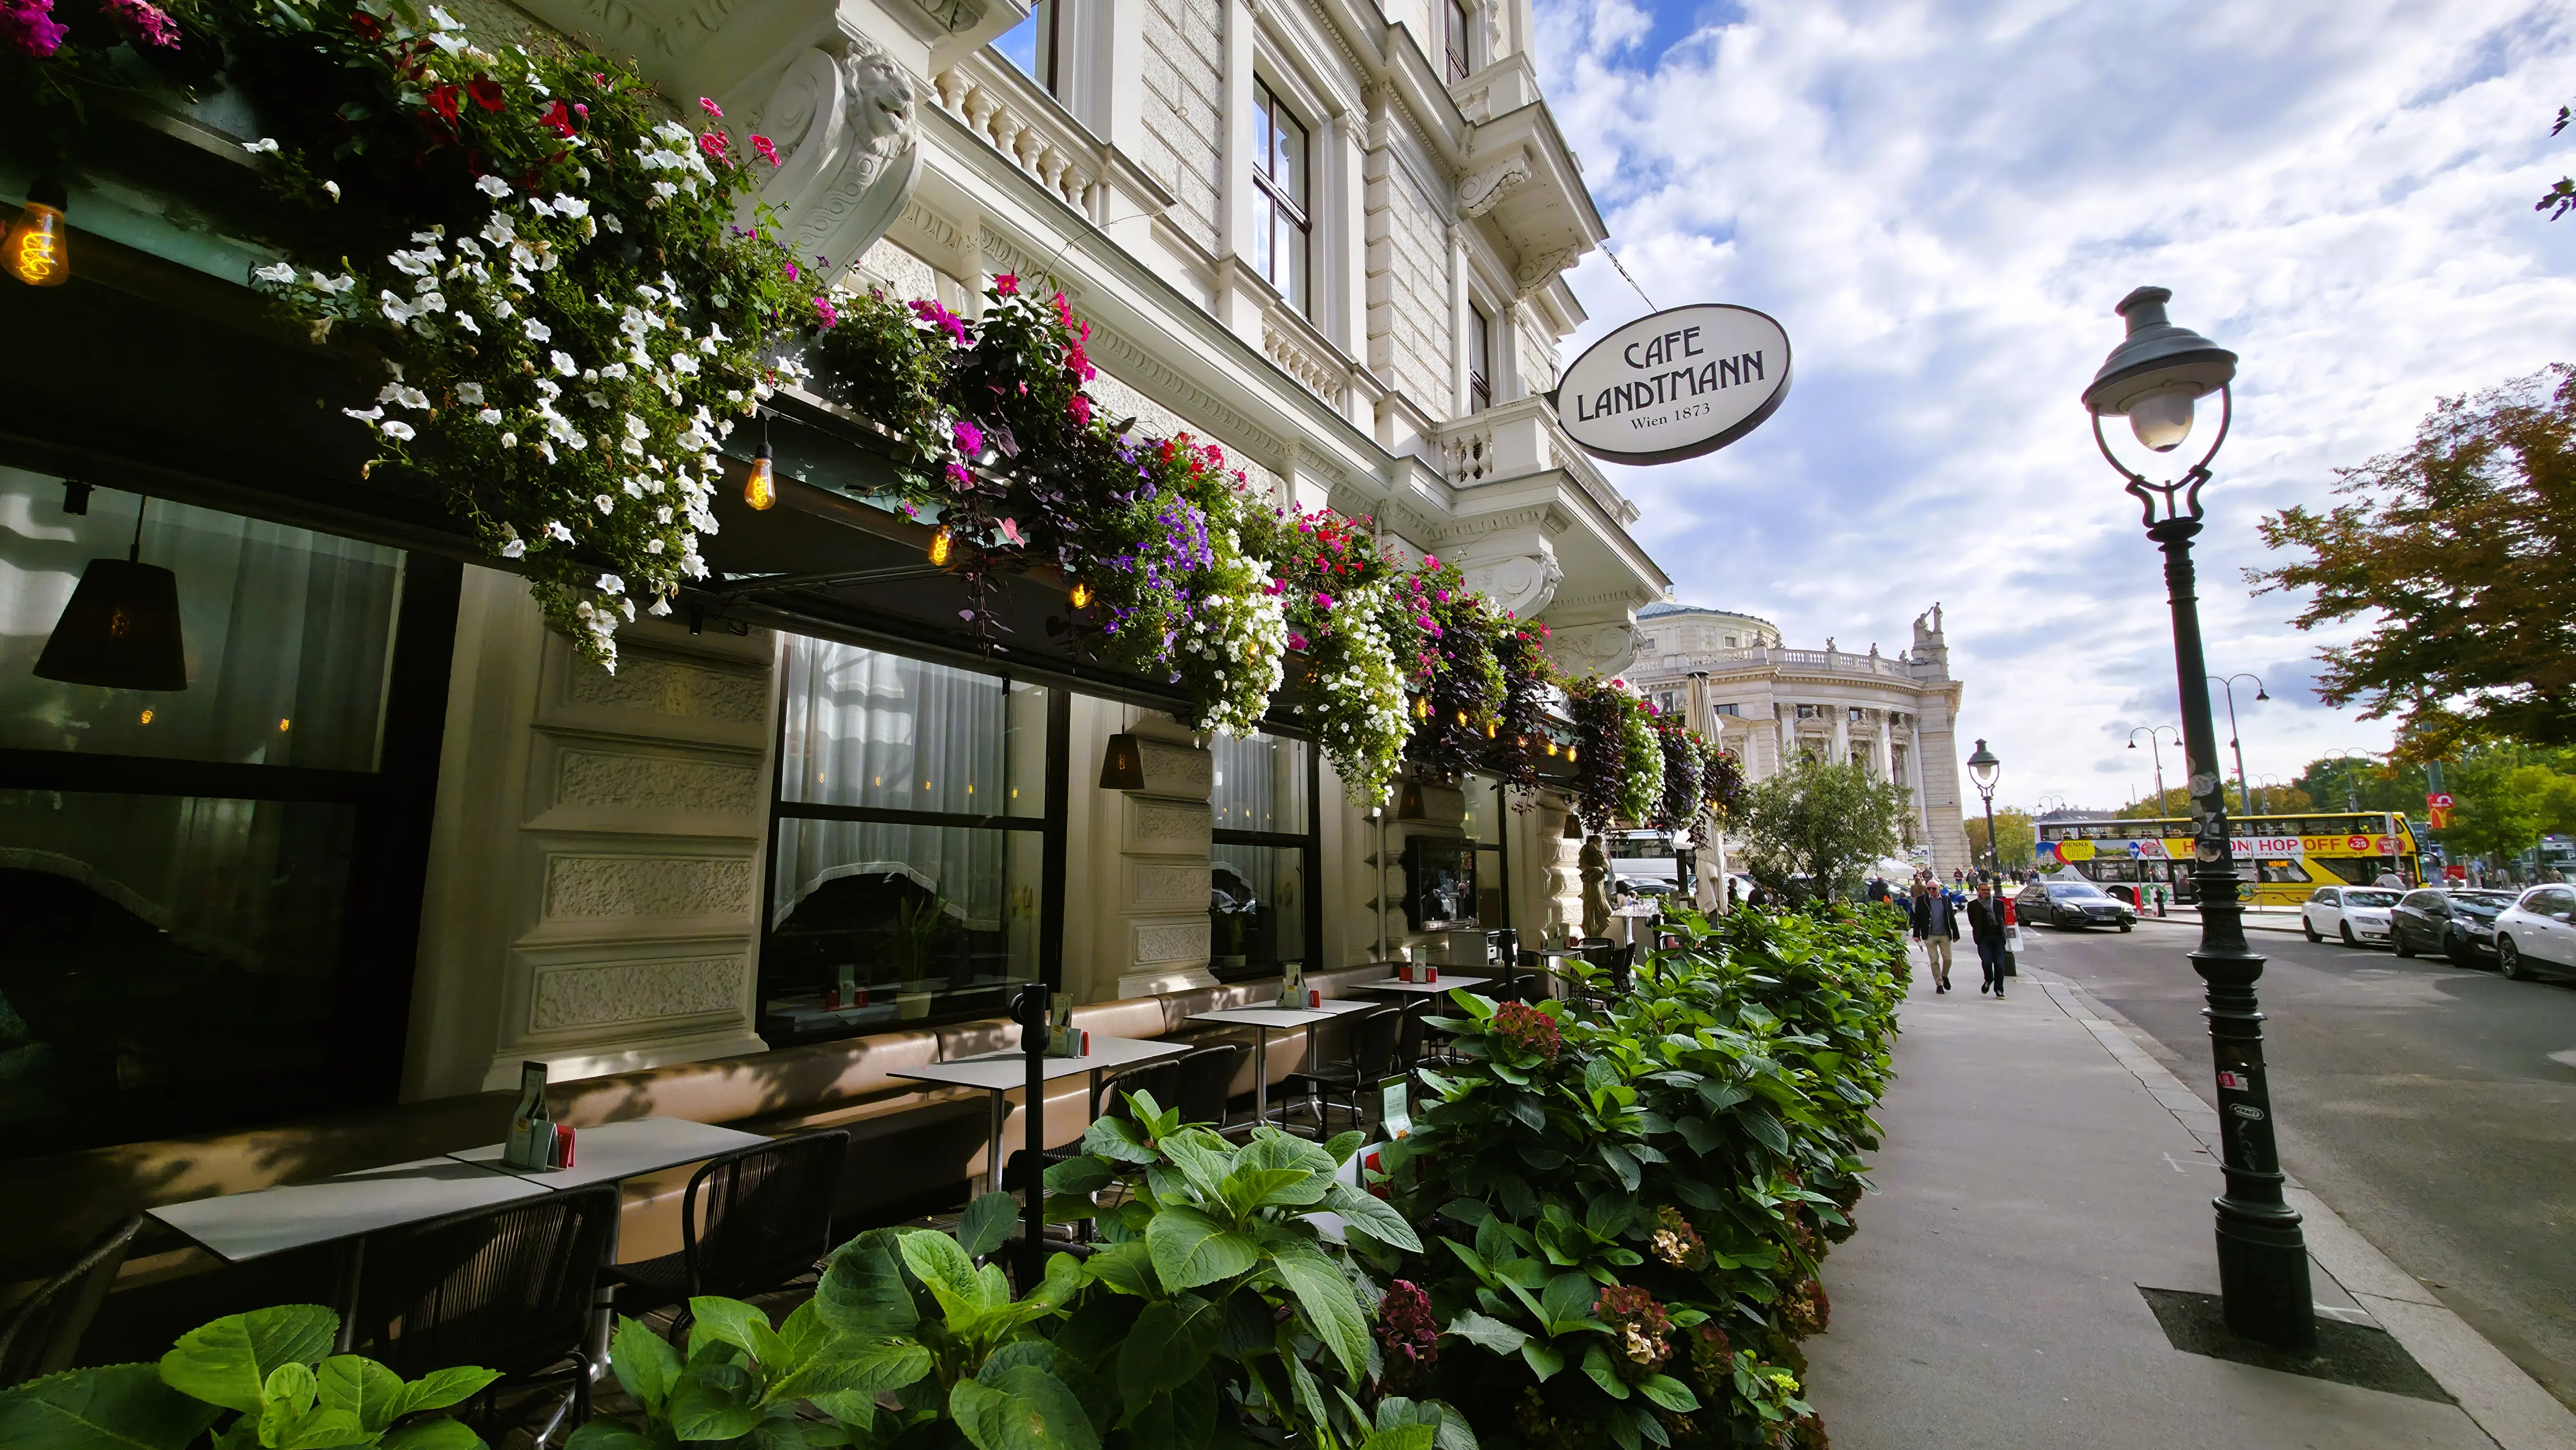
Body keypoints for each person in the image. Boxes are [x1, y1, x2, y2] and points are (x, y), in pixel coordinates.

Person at [1911, 882, 1959, 993]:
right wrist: (1916, 934)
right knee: (1934, 960)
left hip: (1944, 934)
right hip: (1929, 935)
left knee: (1948, 959)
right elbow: (1917, 917)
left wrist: (1956, 934)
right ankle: (1939, 984)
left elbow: (1951, 917)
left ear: (1939, 888)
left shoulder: (1946, 900)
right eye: (1929, 889)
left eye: (1934, 889)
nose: (1931, 891)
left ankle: (1945, 976)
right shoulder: (1922, 900)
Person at [1967, 883, 2010, 998]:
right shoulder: (1972, 905)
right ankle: (1989, 979)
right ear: (1979, 891)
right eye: (1983, 890)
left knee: (2000, 965)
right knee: (1987, 962)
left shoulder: (1998, 903)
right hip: (1983, 939)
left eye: (1988, 890)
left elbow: (2002, 918)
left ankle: (1999, 990)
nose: (1986, 892)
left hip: (1998, 938)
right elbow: (1973, 922)